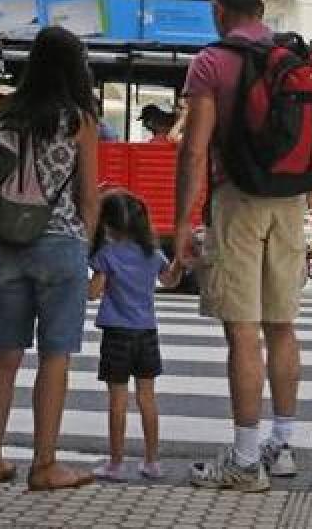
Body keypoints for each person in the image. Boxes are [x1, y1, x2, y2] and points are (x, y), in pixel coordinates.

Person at [169, 0, 312, 492]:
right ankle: (282, 445)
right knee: (282, 325)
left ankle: (245, 460)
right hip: (291, 203)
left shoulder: (213, 61)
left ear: (219, 10)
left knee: (243, 331)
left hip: (239, 202)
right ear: (263, 8)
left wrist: (183, 220)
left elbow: (194, 149)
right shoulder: (293, 58)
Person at [0, 26, 101, 492]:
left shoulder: (6, 113)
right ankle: (44, 464)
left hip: (5, 244)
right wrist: (86, 251)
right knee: (55, 357)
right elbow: (89, 196)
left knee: (5, 355)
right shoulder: (77, 119)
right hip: (59, 244)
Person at [88, 191, 180, 482]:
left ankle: (115, 464)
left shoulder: (106, 255)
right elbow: (169, 280)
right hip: (147, 333)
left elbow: (93, 293)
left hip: (117, 335)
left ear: (108, 224)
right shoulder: (152, 253)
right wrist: (182, 263)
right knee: (147, 398)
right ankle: (152, 462)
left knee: (118, 401)